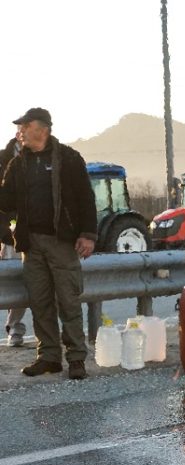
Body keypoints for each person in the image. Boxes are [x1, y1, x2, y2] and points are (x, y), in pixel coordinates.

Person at [0, 108, 97, 380]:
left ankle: (76, 358)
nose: (19, 131)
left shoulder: (69, 158)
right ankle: (49, 357)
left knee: (68, 301)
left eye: (23, 126)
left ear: (41, 129)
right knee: (40, 303)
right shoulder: (17, 164)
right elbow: (5, 201)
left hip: (62, 242)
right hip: (31, 245)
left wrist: (88, 234)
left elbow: (86, 199)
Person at [0, 126, 26, 347]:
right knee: (15, 284)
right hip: (11, 236)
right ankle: (15, 329)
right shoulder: (3, 160)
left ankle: (48, 335)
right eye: (22, 129)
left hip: (42, 233)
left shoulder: (48, 158)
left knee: (44, 284)